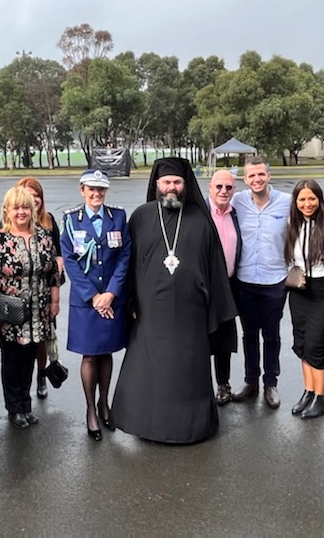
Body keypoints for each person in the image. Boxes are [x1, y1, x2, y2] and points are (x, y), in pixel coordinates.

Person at [111, 158, 237, 444]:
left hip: (191, 314)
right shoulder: (141, 217)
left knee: (187, 370)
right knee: (151, 370)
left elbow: (214, 267)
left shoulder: (200, 220)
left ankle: (191, 426)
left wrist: (214, 308)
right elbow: (128, 265)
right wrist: (129, 301)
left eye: (177, 182)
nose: (172, 188)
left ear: (185, 185)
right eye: (166, 182)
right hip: (150, 312)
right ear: (156, 184)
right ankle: (148, 425)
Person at [61, 170, 130, 441]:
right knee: (90, 355)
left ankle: (105, 404)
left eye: (101, 190)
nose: (96, 194)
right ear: (82, 191)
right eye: (91, 189)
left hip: (112, 299)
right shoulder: (70, 220)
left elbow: (124, 257)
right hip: (86, 303)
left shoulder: (118, 217)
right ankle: (91, 409)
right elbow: (70, 262)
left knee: (107, 352)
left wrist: (111, 293)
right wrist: (94, 297)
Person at [0, 187, 60, 429]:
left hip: (38, 310)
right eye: (16, 207)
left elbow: (53, 273)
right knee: (12, 359)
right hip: (10, 312)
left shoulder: (44, 237)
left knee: (29, 359)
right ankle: (13, 408)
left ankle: (25, 405)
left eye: (25, 207)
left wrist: (55, 302)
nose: (21, 212)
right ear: (7, 209)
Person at [230, 156, 291, 408]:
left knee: (272, 334)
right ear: (245, 179)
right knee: (249, 334)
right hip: (245, 279)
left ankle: (271, 383)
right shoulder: (238, 201)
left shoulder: (286, 202)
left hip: (275, 280)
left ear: (269, 175)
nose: (257, 179)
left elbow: (314, 215)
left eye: (261, 174)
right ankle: (251, 382)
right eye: (251, 176)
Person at [284, 180, 324, 420]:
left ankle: (320, 396)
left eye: (312, 198)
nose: (307, 204)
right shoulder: (292, 224)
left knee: (317, 344)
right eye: (302, 199)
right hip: (299, 289)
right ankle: (308, 391)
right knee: (302, 343)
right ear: (296, 202)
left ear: (320, 199)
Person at [15, 177, 64, 400]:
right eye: (28, 194)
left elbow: (59, 255)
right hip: (20, 298)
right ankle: (20, 389)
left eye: (36, 195)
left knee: (43, 339)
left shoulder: (49, 221)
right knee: (21, 344)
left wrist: (58, 270)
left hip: (45, 293)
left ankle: (41, 376)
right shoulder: (9, 223)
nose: (33, 199)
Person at [206, 170, 241, 405]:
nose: (223, 191)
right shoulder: (200, 214)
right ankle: (199, 386)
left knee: (223, 340)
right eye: (219, 186)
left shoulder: (235, 213)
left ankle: (223, 384)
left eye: (228, 187)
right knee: (201, 338)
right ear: (210, 187)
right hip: (204, 287)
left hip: (229, 285)